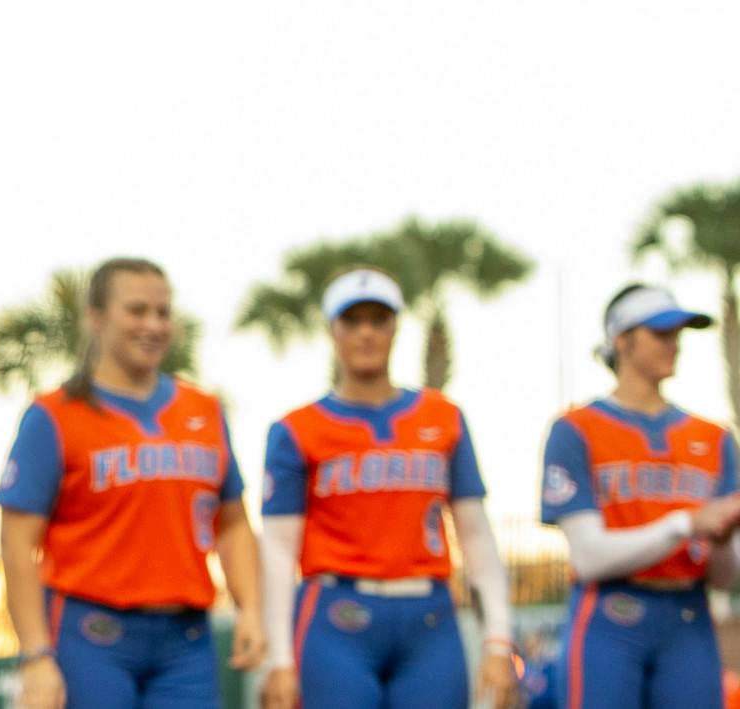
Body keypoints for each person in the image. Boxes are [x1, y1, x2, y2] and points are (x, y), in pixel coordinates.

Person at [0, 258, 263, 709]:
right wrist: (35, 653)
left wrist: (250, 607)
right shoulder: (54, 415)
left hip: (187, 641)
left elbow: (233, 522)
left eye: (162, 312)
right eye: (136, 311)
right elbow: (17, 542)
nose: (153, 324)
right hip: (91, 636)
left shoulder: (205, 410)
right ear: (96, 317)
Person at [260, 268, 517, 709]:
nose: (366, 333)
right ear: (332, 329)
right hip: (335, 616)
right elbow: (279, 550)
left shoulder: (443, 418)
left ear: (396, 325)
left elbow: (475, 532)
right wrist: (279, 659)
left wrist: (498, 640)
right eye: (352, 320)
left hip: (430, 617)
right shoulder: (297, 430)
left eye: (378, 319)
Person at [539, 282, 740, 709]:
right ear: (622, 340)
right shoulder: (576, 429)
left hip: (690, 617)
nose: (675, 345)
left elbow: (725, 577)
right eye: (660, 333)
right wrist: (686, 524)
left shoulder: (715, 438)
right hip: (608, 619)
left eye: (678, 334)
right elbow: (589, 557)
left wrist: (721, 539)